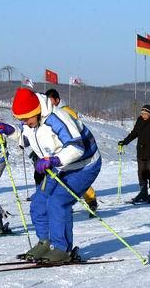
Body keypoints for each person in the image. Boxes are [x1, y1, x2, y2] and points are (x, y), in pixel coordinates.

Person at [0, 88, 101, 263]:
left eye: (26, 119)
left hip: (84, 165)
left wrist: (54, 160)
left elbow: (77, 147)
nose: (24, 123)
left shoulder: (57, 119)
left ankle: (62, 249)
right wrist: (9, 130)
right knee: (39, 202)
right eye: (21, 120)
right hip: (59, 166)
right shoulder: (32, 121)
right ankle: (45, 242)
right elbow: (25, 139)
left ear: (36, 111)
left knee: (58, 201)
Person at [45, 88, 98, 216]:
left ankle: (91, 200)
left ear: (57, 100)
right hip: (60, 150)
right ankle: (64, 204)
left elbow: (75, 131)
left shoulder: (65, 111)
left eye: (50, 100)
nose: (49, 103)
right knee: (64, 179)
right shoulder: (50, 114)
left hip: (74, 150)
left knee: (76, 178)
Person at [118, 104, 150, 204]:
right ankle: (143, 193)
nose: (143, 115)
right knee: (141, 173)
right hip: (141, 152)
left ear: (149, 113)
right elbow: (134, 133)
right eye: (142, 113)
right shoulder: (139, 121)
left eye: (145, 113)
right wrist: (125, 141)